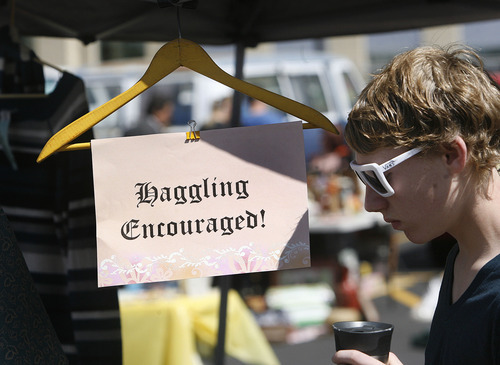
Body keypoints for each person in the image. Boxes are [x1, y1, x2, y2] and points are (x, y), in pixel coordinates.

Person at [332, 45, 500, 364]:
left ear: (451, 154)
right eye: (361, 178)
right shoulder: (464, 259)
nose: (370, 203)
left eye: (377, 177)